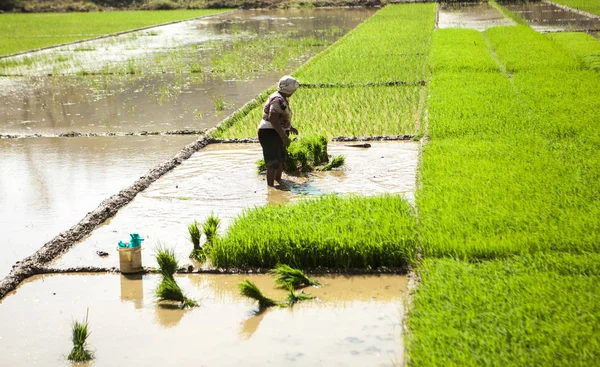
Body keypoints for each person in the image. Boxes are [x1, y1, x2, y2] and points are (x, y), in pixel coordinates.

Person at [257, 75, 300, 187]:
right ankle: (270, 189)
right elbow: (273, 118)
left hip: (277, 131)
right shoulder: (277, 99)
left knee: (280, 159)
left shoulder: (282, 98)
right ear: (289, 90)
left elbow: (281, 118)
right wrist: (284, 137)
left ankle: (279, 182)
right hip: (269, 133)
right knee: (272, 162)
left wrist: (290, 128)